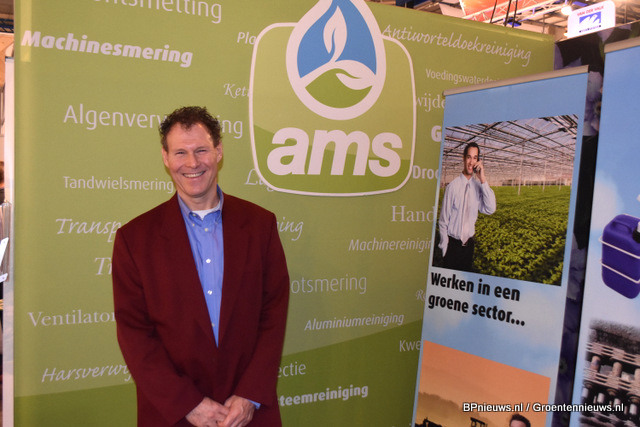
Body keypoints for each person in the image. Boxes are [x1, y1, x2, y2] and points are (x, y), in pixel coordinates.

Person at [112, 106, 290, 427]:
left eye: (201, 150)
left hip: (248, 412)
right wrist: (187, 404)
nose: (192, 163)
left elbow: (273, 314)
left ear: (218, 152)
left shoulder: (260, 225)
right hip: (174, 414)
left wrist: (249, 395)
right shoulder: (134, 239)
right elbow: (135, 334)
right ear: (166, 158)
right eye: (180, 152)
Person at [438, 142, 496, 271]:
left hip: (469, 246)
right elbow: (443, 221)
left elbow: (490, 209)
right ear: (463, 158)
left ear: (478, 161)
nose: (471, 162)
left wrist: (483, 179)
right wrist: (445, 250)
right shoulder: (452, 187)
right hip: (452, 247)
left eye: (475, 158)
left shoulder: (478, 186)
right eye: (469, 157)